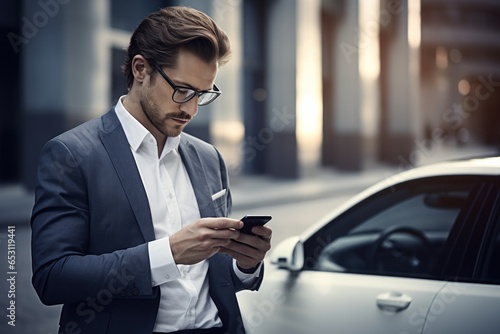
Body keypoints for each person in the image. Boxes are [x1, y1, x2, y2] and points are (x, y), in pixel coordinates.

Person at [30, 6, 272, 334]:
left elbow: (212, 276)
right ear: (141, 69)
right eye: (183, 90)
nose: (191, 108)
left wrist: (246, 264)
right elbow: (52, 277)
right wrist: (167, 254)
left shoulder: (208, 157)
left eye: (202, 94)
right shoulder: (72, 154)